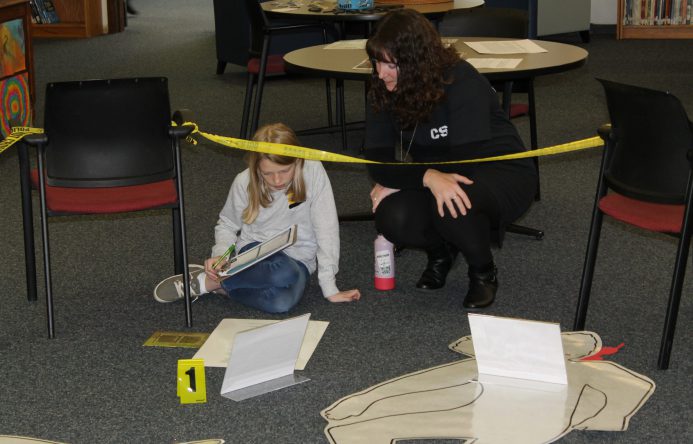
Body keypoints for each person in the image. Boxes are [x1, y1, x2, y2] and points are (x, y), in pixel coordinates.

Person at [364, 9, 537, 309]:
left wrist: (409, 179)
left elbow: (465, 158)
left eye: (391, 64)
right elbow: (376, 159)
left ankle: (483, 271)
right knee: (391, 215)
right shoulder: (382, 86)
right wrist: (423, 177)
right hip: (439, 174)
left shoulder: (461, 79)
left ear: (416, 62)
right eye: (377, 62)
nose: (381, 73)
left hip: (497, 170)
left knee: (450, 202)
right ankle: (441, 253)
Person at [154, 123, 361, 313]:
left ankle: (218, 285)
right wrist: (221, 255)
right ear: (256, 167)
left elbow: (327, 228)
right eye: (268, 174)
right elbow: (227, 224)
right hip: (253, 252)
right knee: (282, 273)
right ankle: (208, 281)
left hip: (299, 260)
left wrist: (329, 286)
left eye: (284, 171)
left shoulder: (313, 171)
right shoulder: (244, 182)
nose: (277, 180)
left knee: (282, 303)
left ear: (298, 161)